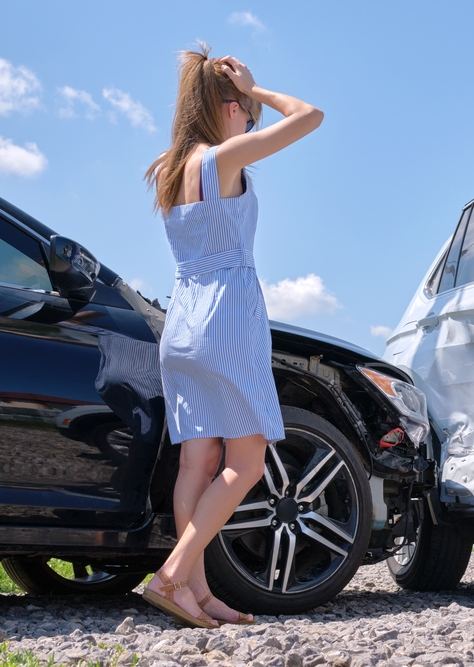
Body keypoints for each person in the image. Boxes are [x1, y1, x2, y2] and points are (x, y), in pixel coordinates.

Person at [142, 43, 323, 628]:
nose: (251, 118)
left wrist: (243, 93)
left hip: (184, 324)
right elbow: (310, 116)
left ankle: (195, 594)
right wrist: (259, 85)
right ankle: (172, 575)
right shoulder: (223, 158)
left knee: (198, 462)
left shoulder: (168, 168)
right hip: (227, 319)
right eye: (245, 110)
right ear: (225, 106)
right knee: (245, 463)